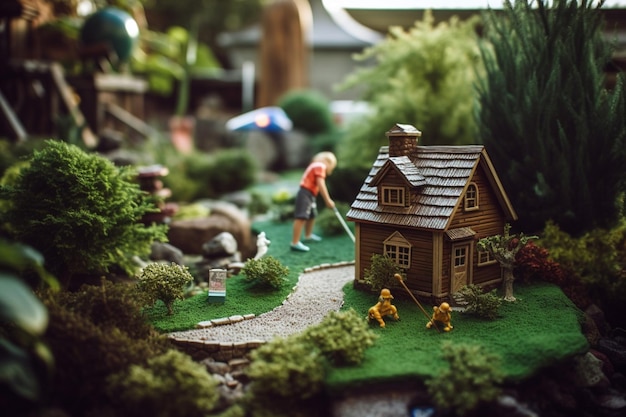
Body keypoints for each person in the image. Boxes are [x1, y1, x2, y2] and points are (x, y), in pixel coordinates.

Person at [290, 151, 336, 251]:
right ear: (327, 162)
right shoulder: (320, 166)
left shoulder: (315, 166)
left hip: (309, 194)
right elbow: (321, 184)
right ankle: (295, 242)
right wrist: (327, 199)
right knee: (301, 216)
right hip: (305, 193)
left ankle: (308, 235)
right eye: (331, 165)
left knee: (311, 215)